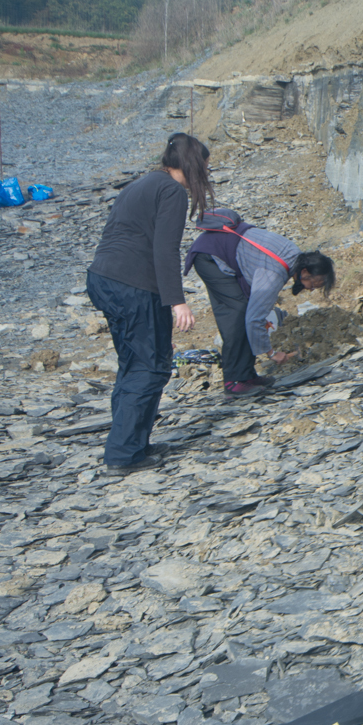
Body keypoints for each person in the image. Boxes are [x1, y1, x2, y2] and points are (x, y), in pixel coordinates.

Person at [86, 133, 213, 474]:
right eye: (204, 165)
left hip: (105, 280)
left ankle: (132, 444)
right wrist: (177, 303)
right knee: (150, 366)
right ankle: (124, 454)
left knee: (134, 362)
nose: (206, 172)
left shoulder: (142, 184)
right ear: (191, 163)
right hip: (134, 285)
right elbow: (164, 249)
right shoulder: (171, 190)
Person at [182, 208, 335, 397]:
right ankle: (233, 381)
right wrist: (272, 354)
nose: (311, 288)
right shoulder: (275, 273)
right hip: (210, 257)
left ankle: (247, 376)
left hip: (222, 249)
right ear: (304, 272)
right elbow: (254, 319)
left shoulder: (295, 255)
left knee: (246, 310)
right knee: (237, 314)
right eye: (314, 283)